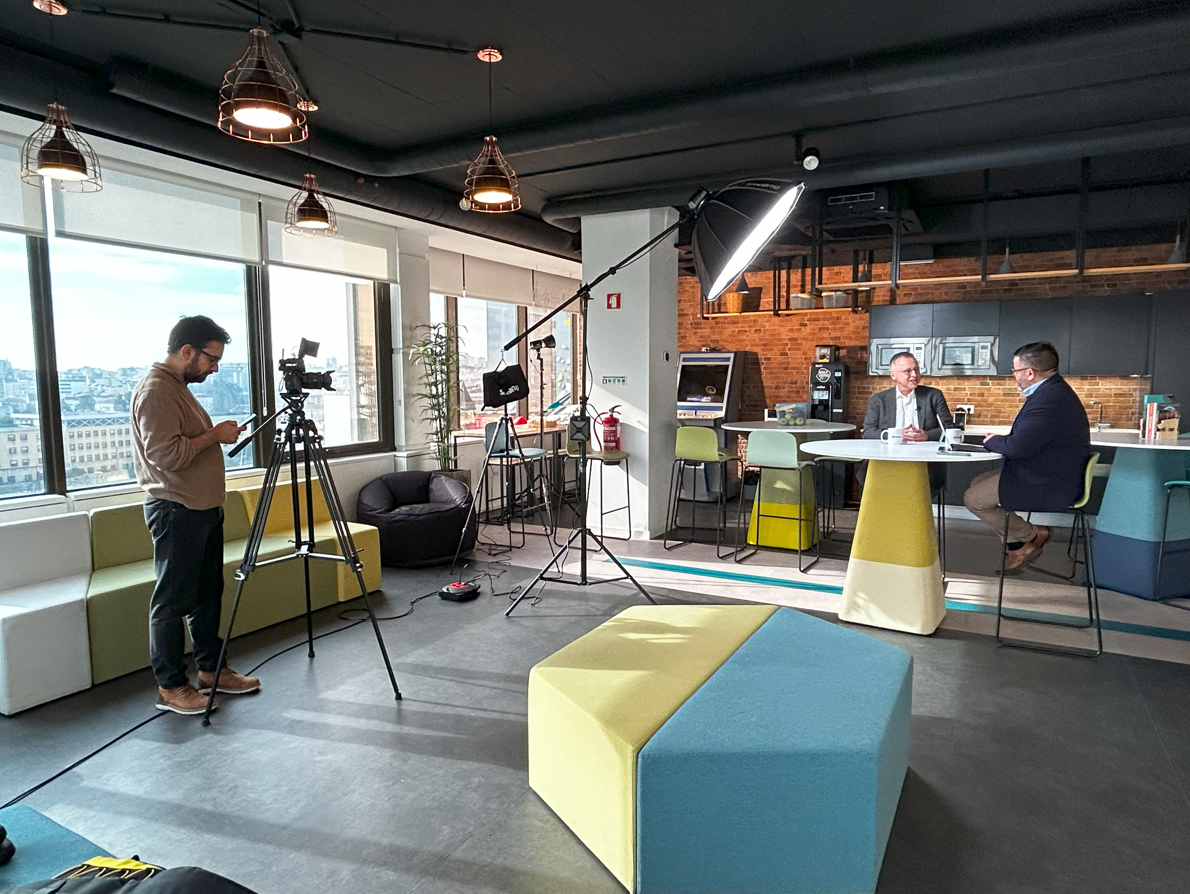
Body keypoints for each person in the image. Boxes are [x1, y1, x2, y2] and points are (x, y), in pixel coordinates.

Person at [131, 316, 260, 715]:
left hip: (201, 509)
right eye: (211, 359)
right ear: (187, 351)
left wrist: (212, 437)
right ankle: (171, 687)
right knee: (171, 602)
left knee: (207, 596)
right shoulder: (156, 391)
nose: (215, 368)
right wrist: (214, 436)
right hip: (176, 509)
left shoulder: (177, 388)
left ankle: (211, 670)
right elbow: (166, 455)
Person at [964, 342, 1091, 571]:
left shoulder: (1048, 399)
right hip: (1051, 472)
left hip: (1048, 481)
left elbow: (1017, 447)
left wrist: (991, 441)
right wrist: (1002, 440)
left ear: (1029, 373)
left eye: (1015, 371)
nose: (1014, 376)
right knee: (978, 482)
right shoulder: (1055, 391)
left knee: (974, 499)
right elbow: (1027, 439)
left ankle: (1032, 534)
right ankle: (1017, 545)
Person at [862, 350, 953, 492]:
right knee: (878, 483)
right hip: (887, 460)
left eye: (916, 370)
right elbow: (867, 432)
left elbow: (950, 428)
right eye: (908, 371)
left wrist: (927, 435)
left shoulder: (933, 396)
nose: (914, 375)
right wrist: (896, 435)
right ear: (893, 375)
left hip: (924, 461)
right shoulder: (878, 400)